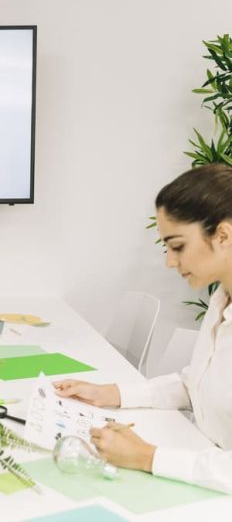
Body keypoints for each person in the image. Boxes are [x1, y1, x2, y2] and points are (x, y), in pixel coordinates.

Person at [54, 163, 232, 494]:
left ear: (223, 235)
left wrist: (147, 457)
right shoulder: (222, 299)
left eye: (177, 246)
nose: (169, 261)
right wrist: (111, 393)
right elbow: (195, 385)